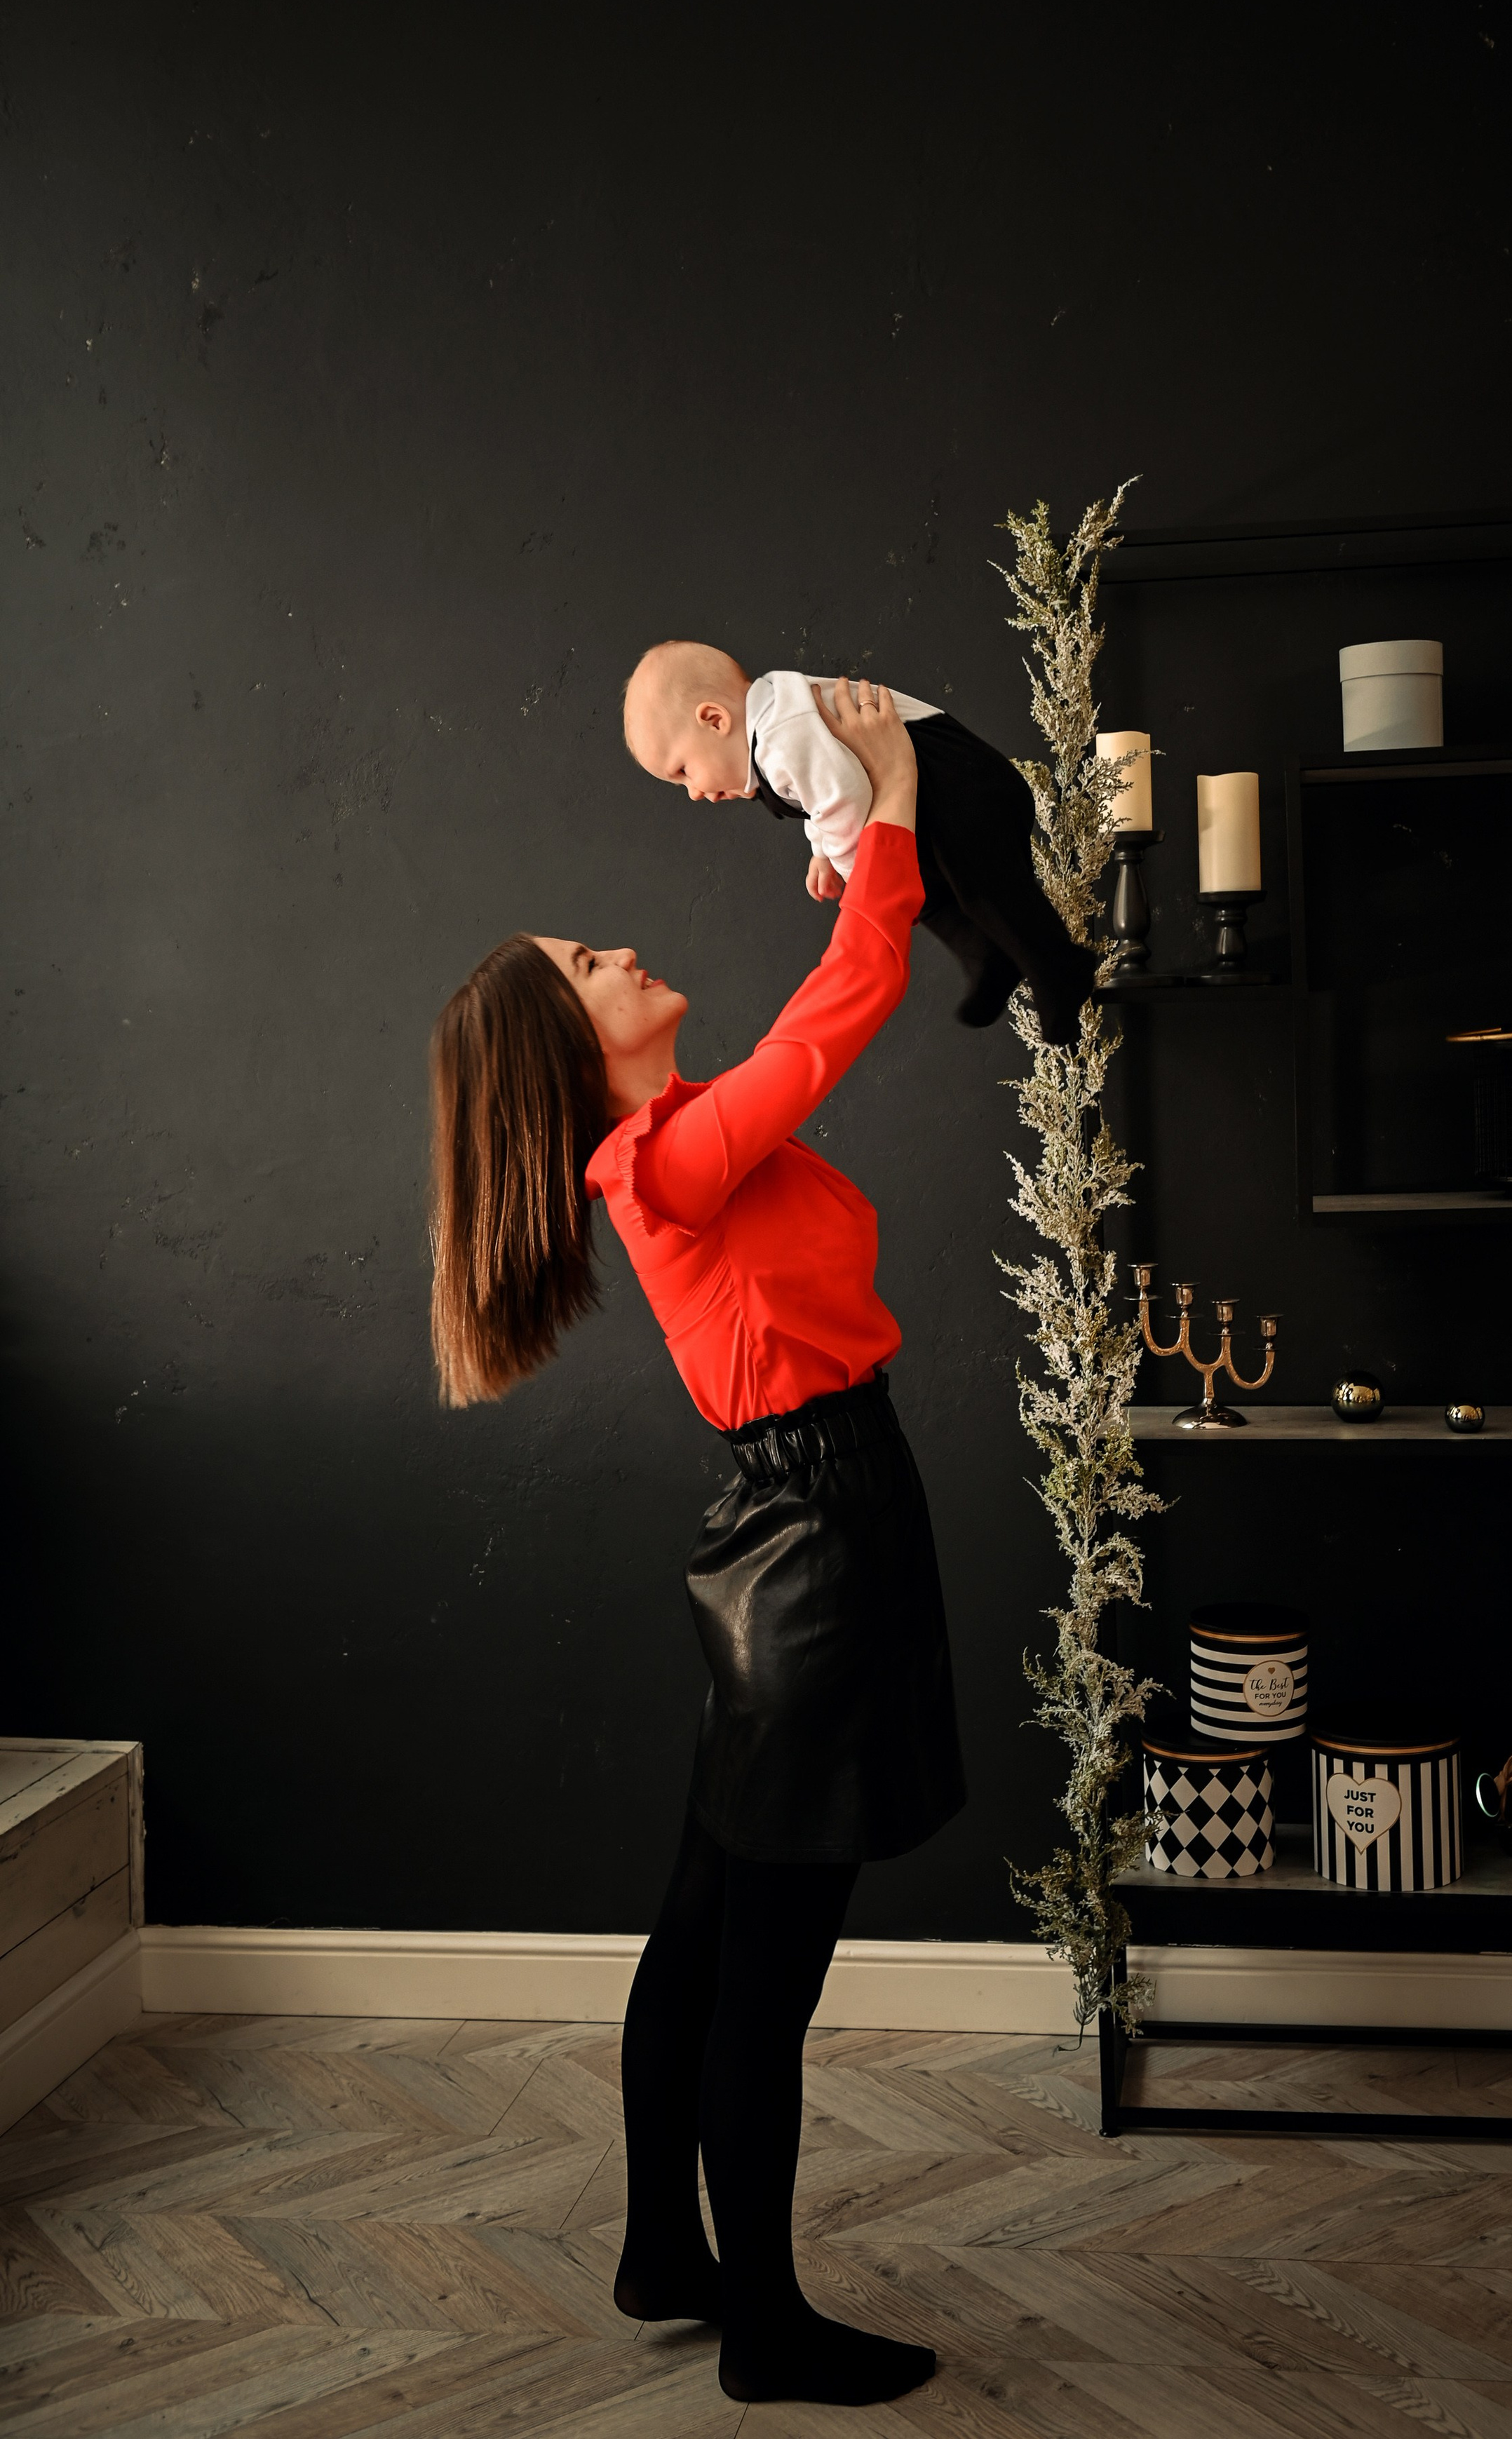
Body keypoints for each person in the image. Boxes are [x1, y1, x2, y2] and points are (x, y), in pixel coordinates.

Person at [428, 681, 962, 2410]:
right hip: (812, 1537)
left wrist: (838, 847)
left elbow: (810, 1017)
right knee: (763, 1968)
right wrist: (883, 805)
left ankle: (669, 2246)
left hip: (792, 1522)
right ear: (569, 1053)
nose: (619, 949)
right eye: (587, 963)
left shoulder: (678, 1149)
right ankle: (765, 2330)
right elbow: (849, 1006)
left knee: (702, 1917)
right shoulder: (656, 1163)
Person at [622, 638, 1094, 1044]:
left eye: (684, 771)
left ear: (714, 720)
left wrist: (860, 877)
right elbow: (818, 794)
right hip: (934, 793)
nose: (695, 793)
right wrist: (823, 852)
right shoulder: (773, 734)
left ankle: (1057, 966)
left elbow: (842, 796)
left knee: (982, 881)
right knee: (928, 891)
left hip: (958, 778)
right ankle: (986, 953)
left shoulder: (780, 734)